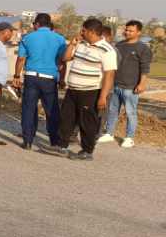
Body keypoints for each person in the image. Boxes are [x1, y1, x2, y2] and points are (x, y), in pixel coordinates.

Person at [42, 19, 117, 161]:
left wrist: (103, 96)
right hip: (73, 89)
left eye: (84, 30)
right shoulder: (81, 44)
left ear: (92, 32)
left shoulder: (107, 50)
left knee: (87, 122)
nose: (81, 32)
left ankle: (87, 151)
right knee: (66, 118)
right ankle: (61, 146)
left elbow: (109, 75)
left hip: (90, 91)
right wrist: (72, 44)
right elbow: (65, 58)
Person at [13, 13, 67, 150]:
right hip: (50, 79)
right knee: (51, 110)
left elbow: (21, 59)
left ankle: (28, 141)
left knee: (29, 109)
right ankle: (54, 141)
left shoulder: (27, 38)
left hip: (31, 77)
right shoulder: (60, 39)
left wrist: (16, 76)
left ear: (37, 24)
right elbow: (62, 61)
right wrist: (62, 79)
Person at [98, 20, 152, 148]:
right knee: (112, 111)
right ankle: (109, 133)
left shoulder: (143, 48)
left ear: (138, 32)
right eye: (126, 30)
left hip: (131, 87)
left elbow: (145, 68)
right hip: (116, 84)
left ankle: (129, 137)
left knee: (130, 112)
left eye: (131, 31)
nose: (127, 32)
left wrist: (142, 84)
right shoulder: (119, 45)